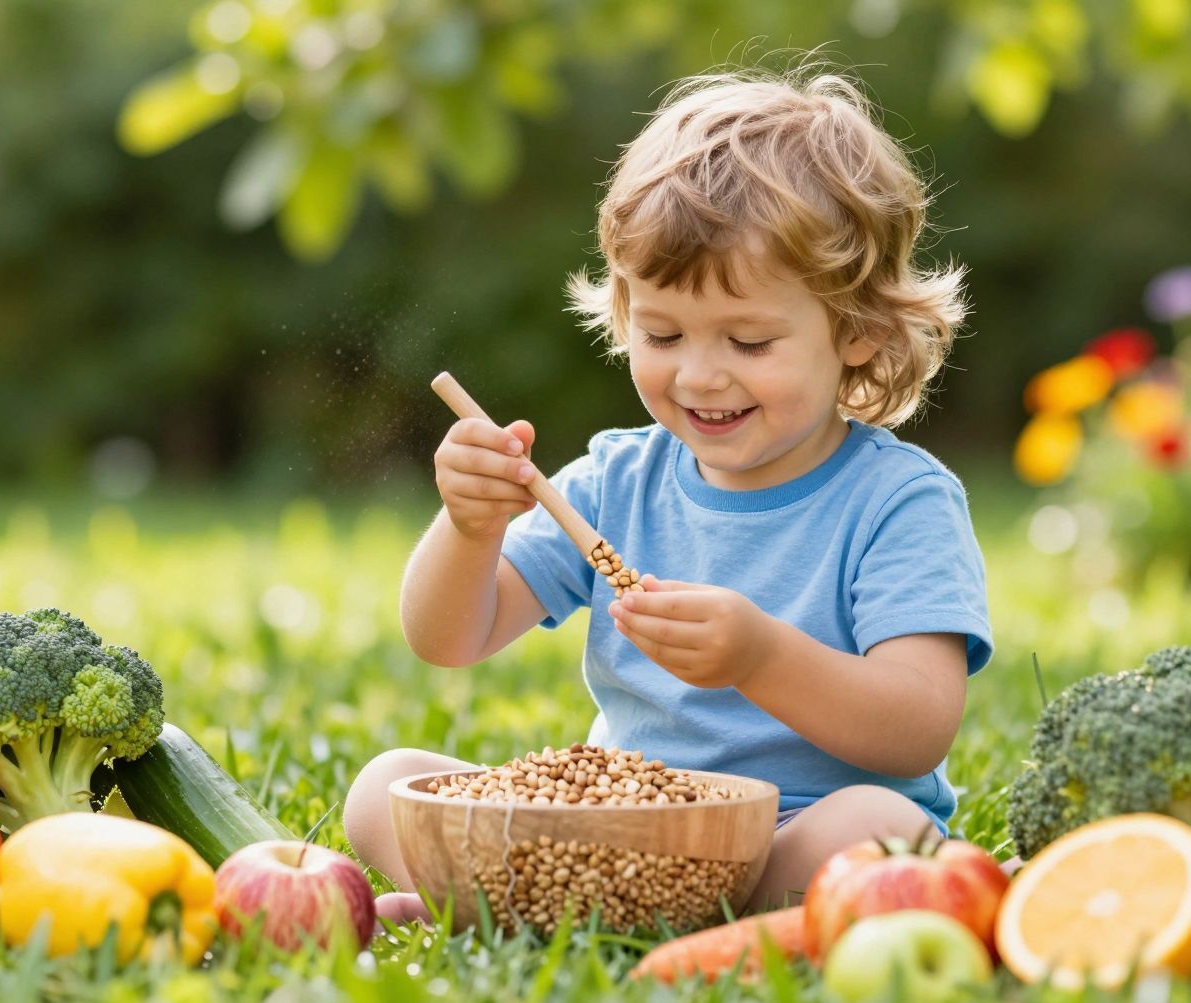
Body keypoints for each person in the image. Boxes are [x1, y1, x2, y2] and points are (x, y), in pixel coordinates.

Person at [344, 65, 991, 923]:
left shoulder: (898, 502)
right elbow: (447, 639)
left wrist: (760, 657)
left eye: (751, 340)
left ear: (861, 333)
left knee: (880, 831)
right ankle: (593, 908)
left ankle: (542, 915)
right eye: (661, 333)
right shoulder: (615, 482)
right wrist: (469, 529)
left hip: (791, 841)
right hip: (616, 840)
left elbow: (917, 726)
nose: (699, 373)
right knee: (383, 788)